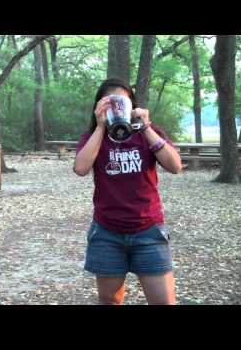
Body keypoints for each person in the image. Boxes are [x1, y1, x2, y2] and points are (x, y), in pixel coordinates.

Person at [74, 78, 182, 305]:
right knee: (110, 301)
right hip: (107, 232)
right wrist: (101, 126)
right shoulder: (94, 137)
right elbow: (81, 168)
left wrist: (146, 128)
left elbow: (175, 166)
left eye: (122, 101)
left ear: (132, 105)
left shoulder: (148, 132)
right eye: (109, 102)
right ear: (99, 106)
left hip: (148, 230)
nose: (117, 107)